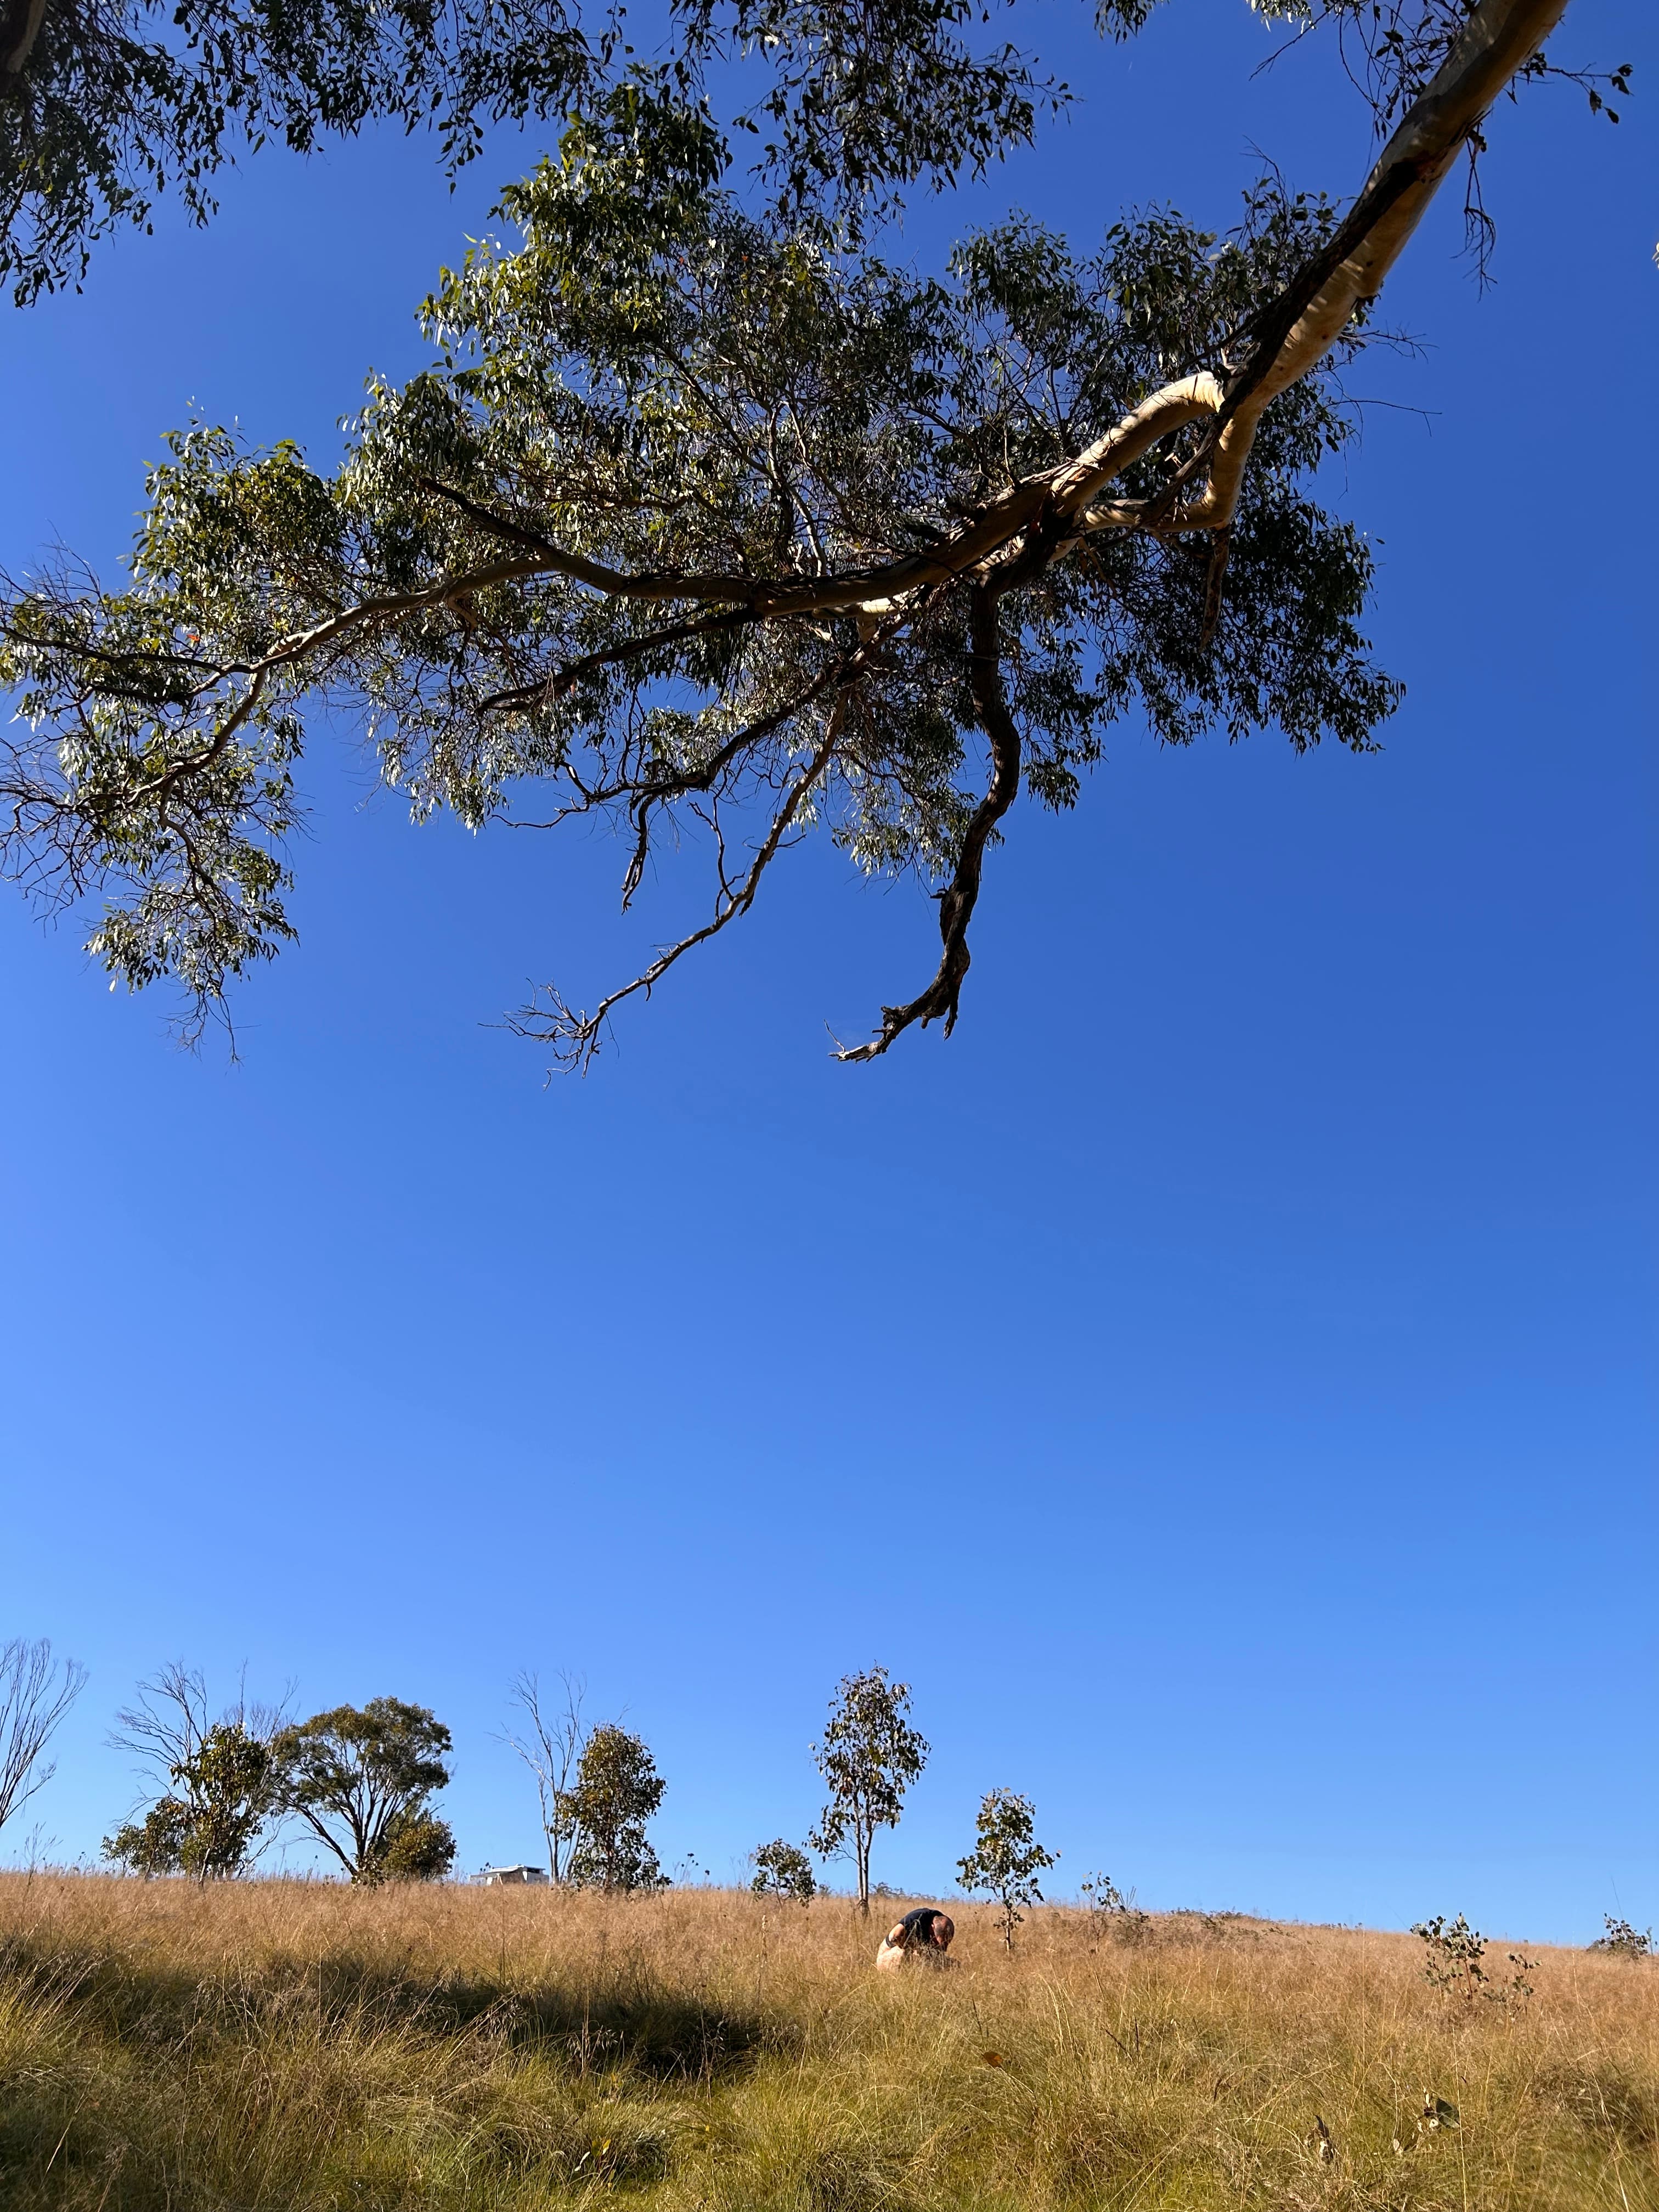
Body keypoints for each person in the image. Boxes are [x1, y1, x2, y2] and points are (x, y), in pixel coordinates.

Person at [875, 1905, 956, 1973]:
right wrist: (913, 1948)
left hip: (917, 1957)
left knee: (954, 1965)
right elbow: (894, 1937)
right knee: (909, 1954)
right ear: (932, 1928)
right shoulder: (918, 1918)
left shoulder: (943, 1922)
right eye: (937, 1942)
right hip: (887, 1956)